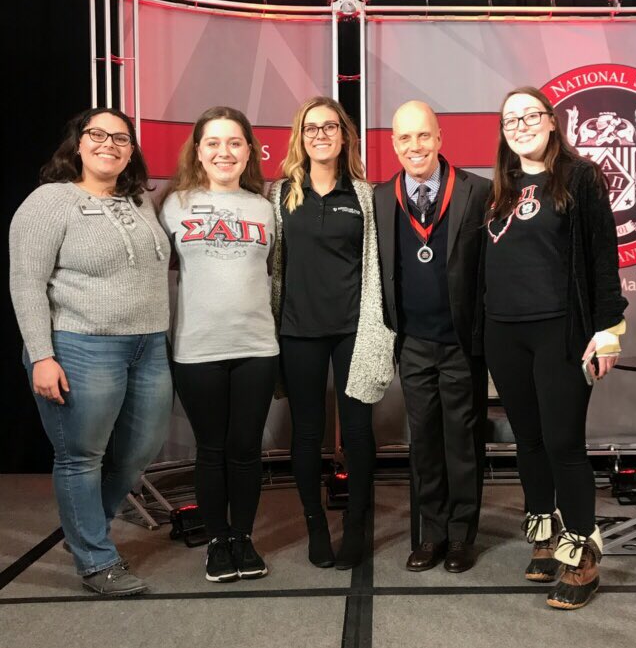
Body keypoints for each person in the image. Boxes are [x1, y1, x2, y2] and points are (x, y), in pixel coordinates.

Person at [9, 108, 172, 596]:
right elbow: (26, 282)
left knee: (139, 449)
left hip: (148, 344)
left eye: (121, 138)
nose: (109, 144)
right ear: (77, 144)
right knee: (81, 456)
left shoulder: (138, 200)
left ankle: (86, 530)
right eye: (97, 135)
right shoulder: (49, 201)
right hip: (80, 345)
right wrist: (41, 354)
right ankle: (96, 560)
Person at [484, 86, 627, 609]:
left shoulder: (581, 177)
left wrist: (609, 329)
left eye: (529, 115)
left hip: (560, 331)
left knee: (563, 442)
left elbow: (602, 257)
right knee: (527, 441)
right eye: (509, 120)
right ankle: (544, 533)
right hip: (504, 332)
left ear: (551, 121)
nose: (519, 125)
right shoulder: (497, 187)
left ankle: (583, 552)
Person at [269, 96, 395, 570]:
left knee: (358, 432)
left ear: (344, 136)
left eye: (329, 127)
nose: (320, 135)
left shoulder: (365, 195)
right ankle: (315, 526)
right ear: (300, 138)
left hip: (353, 331)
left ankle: (357, 529)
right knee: (306, 434)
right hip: (297, 330)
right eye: (310, 128)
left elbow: (379, 269)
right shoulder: (278, 194)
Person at [159, 107, 278, 582]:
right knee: (210, 449)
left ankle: (243, 539)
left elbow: (278, 275)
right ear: (198, 150)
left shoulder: (266, 206)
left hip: (256, 347)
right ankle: (216, 541)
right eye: (213, 142)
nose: (224, 151)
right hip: (197, 348)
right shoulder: (173, 204)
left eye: (234, 142)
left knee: (246, 448)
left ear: (249, 151)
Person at [374, 101, 490, 574]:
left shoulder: (477, 191)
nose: (415, 146)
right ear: (394, 144)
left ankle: (462, 536)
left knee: (462, 439)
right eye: (405, 138)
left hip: (461, 340)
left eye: (423, 136)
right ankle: (432, 533)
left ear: (440, 138)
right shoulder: (383, 197)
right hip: (413, 341)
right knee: (423, 442)